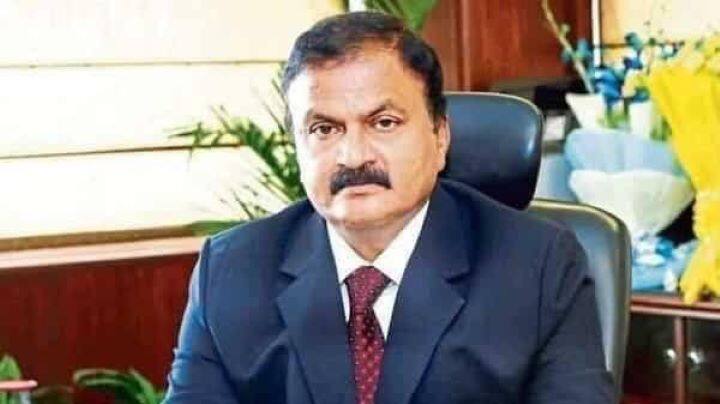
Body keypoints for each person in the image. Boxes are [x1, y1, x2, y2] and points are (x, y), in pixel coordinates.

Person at [164, 11, 613, 404]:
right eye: (324, 129)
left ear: (440, 136)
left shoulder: (537, 267)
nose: (353, 156)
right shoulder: (232, 271)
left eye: (383, 123)